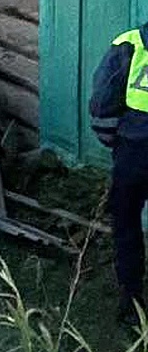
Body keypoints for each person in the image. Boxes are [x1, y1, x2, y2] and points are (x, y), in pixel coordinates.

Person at [91, 21, 148, 324]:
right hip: (132, 152)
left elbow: (103, 103)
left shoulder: (129, 43)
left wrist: (115, 145)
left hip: (133, 154)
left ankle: (131, 303)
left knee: (125, 223)